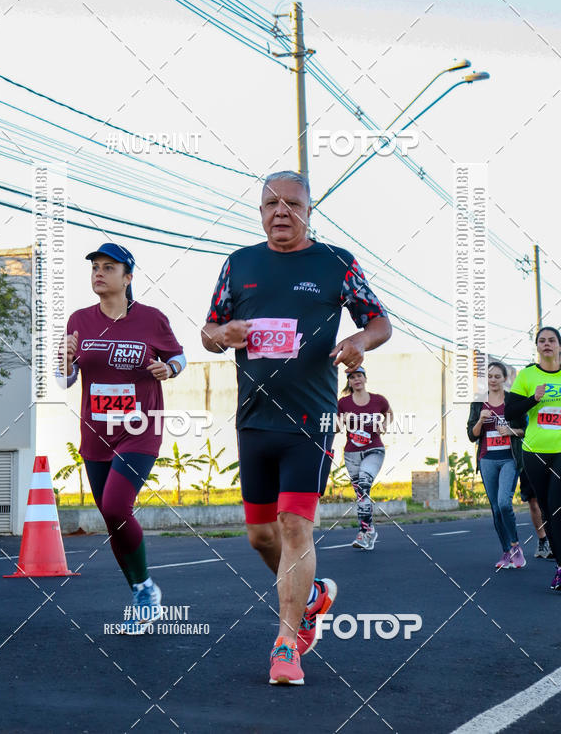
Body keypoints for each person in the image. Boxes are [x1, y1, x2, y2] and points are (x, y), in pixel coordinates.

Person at [201, 170, 391, 685]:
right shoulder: (239, 265)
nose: (280, 212)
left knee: (294, 526)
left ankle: (288, 644)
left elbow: (379, 320)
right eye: (270, 204)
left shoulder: (336, 263)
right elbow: (207, 331)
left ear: (310, 209)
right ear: (260, 211)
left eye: (292, 203)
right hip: (254, 419)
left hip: (310, 420)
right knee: (261, 535)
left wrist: (359, 344)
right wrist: (225, 334)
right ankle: (311, 598)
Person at [58, 242, 186, 632]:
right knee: (112, 519)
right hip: (96, 434)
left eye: (108, 267)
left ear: (128, 277)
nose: (98, 272)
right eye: (94, 266)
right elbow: (66, 380)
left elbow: (179, 356)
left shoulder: (151, 318)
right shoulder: (79, 319)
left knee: (115, 505)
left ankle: (145, 591)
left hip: (139, 430)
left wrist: (170, 369)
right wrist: (64, 359)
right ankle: (142, 590)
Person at [506, 327, 561, 591]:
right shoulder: (528, 375)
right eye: (542, 341)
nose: (547, 344)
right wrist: (533, 398)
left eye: (552, 340)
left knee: (557, 504)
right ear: (537, 347)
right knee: (548, 511)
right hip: (535, 452)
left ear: (559, 346)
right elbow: (510, 411)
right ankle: (560, 566)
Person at [467, 361, 527, 569]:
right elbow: (471, 436)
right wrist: (480, 421)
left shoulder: (512, 401)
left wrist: (510, 431)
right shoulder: (478, 404)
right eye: (490, 376)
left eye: (497, 376)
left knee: (504, 503)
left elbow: (524, 430)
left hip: (509, 458)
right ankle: (506, 552)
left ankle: (516, 547)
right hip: (487, 460)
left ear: (504, 379)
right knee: (495, 508)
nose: (493, 380)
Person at [337, 366, 392, 550]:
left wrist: (383, 424)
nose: (356, 380)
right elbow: (336, 428)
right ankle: (369, 531)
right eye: (352, 377)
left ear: (365, 378)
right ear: (349, 382)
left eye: (359, 376)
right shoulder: (343, 403)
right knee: (361, 494)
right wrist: (341, 421)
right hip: (351, 453)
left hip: (374, 450)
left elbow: (389, 413)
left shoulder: (378, 400)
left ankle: (364, 532)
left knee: (363, 484)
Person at [519, 470, 553, 559]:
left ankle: (554, 541)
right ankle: (542, 541)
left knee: (552, 500)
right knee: (533, 501)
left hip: (552, 460)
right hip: (529, 462)